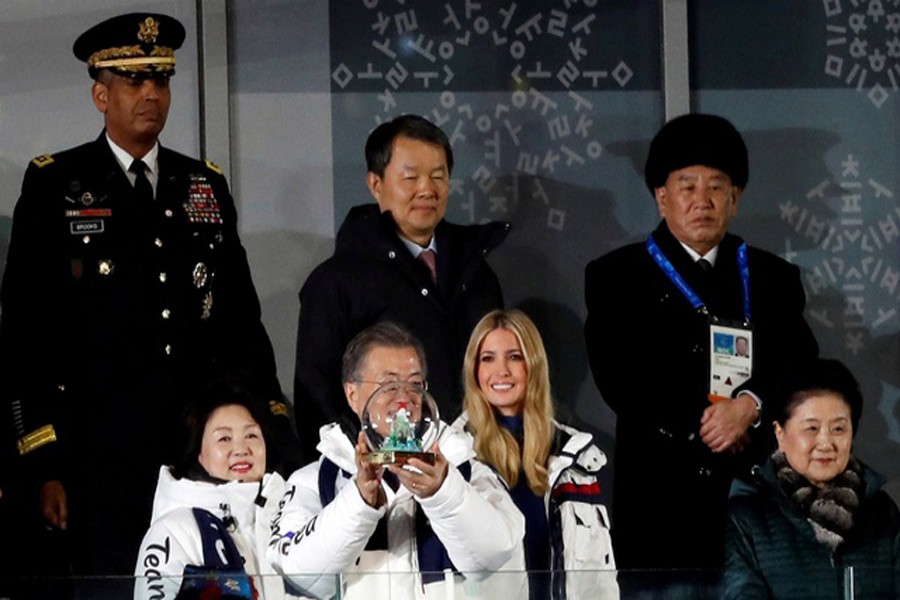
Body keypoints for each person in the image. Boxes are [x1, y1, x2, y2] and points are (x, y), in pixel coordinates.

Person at [0, 12, 297, 579]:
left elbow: (241, 324)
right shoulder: (56, 185)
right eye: (134, 81)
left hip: (195, 454)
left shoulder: (203, 185)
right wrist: (42, 462)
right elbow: (25, 337)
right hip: (96, 459)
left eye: (160, 81)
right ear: (100, 93)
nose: (151, 95)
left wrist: (273, 426)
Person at [583, 114, 819, 581]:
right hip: (660, 504)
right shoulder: (616, 276)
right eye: (687, 186)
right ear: (661, 196)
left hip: (754, 498)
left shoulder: (774, 277)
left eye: (716, 187)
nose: (702, 201)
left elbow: (801, 364)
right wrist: (708, 424)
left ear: (735, 198)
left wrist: (749, 407)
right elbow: (619, 380)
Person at [293, 114, 510, 459]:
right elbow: (316, 399)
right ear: (375, 184)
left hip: (478, 468)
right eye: (410, 177)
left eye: (438, 176)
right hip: (381, 477)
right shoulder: (335, 283)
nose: (427, 189)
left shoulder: (478, 274)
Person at [269, 322, 526, 599]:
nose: (404, 398)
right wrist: (361, 501)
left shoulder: (464, 467)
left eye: (415, 384)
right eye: (388, 385)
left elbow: (496, 556)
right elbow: (300, 576)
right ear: (352, 394)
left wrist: (443, 493)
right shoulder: (315, 481)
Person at [459, 309, 618, 600]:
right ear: (474, 370)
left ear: (533, 365)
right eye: (488, 358)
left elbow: (599, 577)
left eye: (514, 357)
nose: (501, 371)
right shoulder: (455, 456)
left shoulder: (576, 455)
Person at [724, 358, 900, 599]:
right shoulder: (748, 519)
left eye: (838, 428)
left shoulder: (882, 512)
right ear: (780, 433)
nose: (826, 443)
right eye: (812, 428)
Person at [134, 380, 293, 600]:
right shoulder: (174, 531)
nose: (241, 449)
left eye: (251, 435)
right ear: (198, 452)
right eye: (224, 438)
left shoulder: (292, 513)